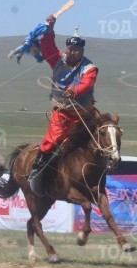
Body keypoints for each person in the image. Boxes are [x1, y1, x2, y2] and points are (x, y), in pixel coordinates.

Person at [28, 14, 98, 189]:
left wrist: (75, 90)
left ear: (82, 51)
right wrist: (50, 29)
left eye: (77, 50)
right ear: (67, 49)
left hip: (84, 113)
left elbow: (87, 83)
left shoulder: (89, 68)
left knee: (104, 134)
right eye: (71, 49)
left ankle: (105, 164)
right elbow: (47, 48)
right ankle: (37, 169)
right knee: (50, 143)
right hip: (62, 113)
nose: (73, 52)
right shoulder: (58, 60)